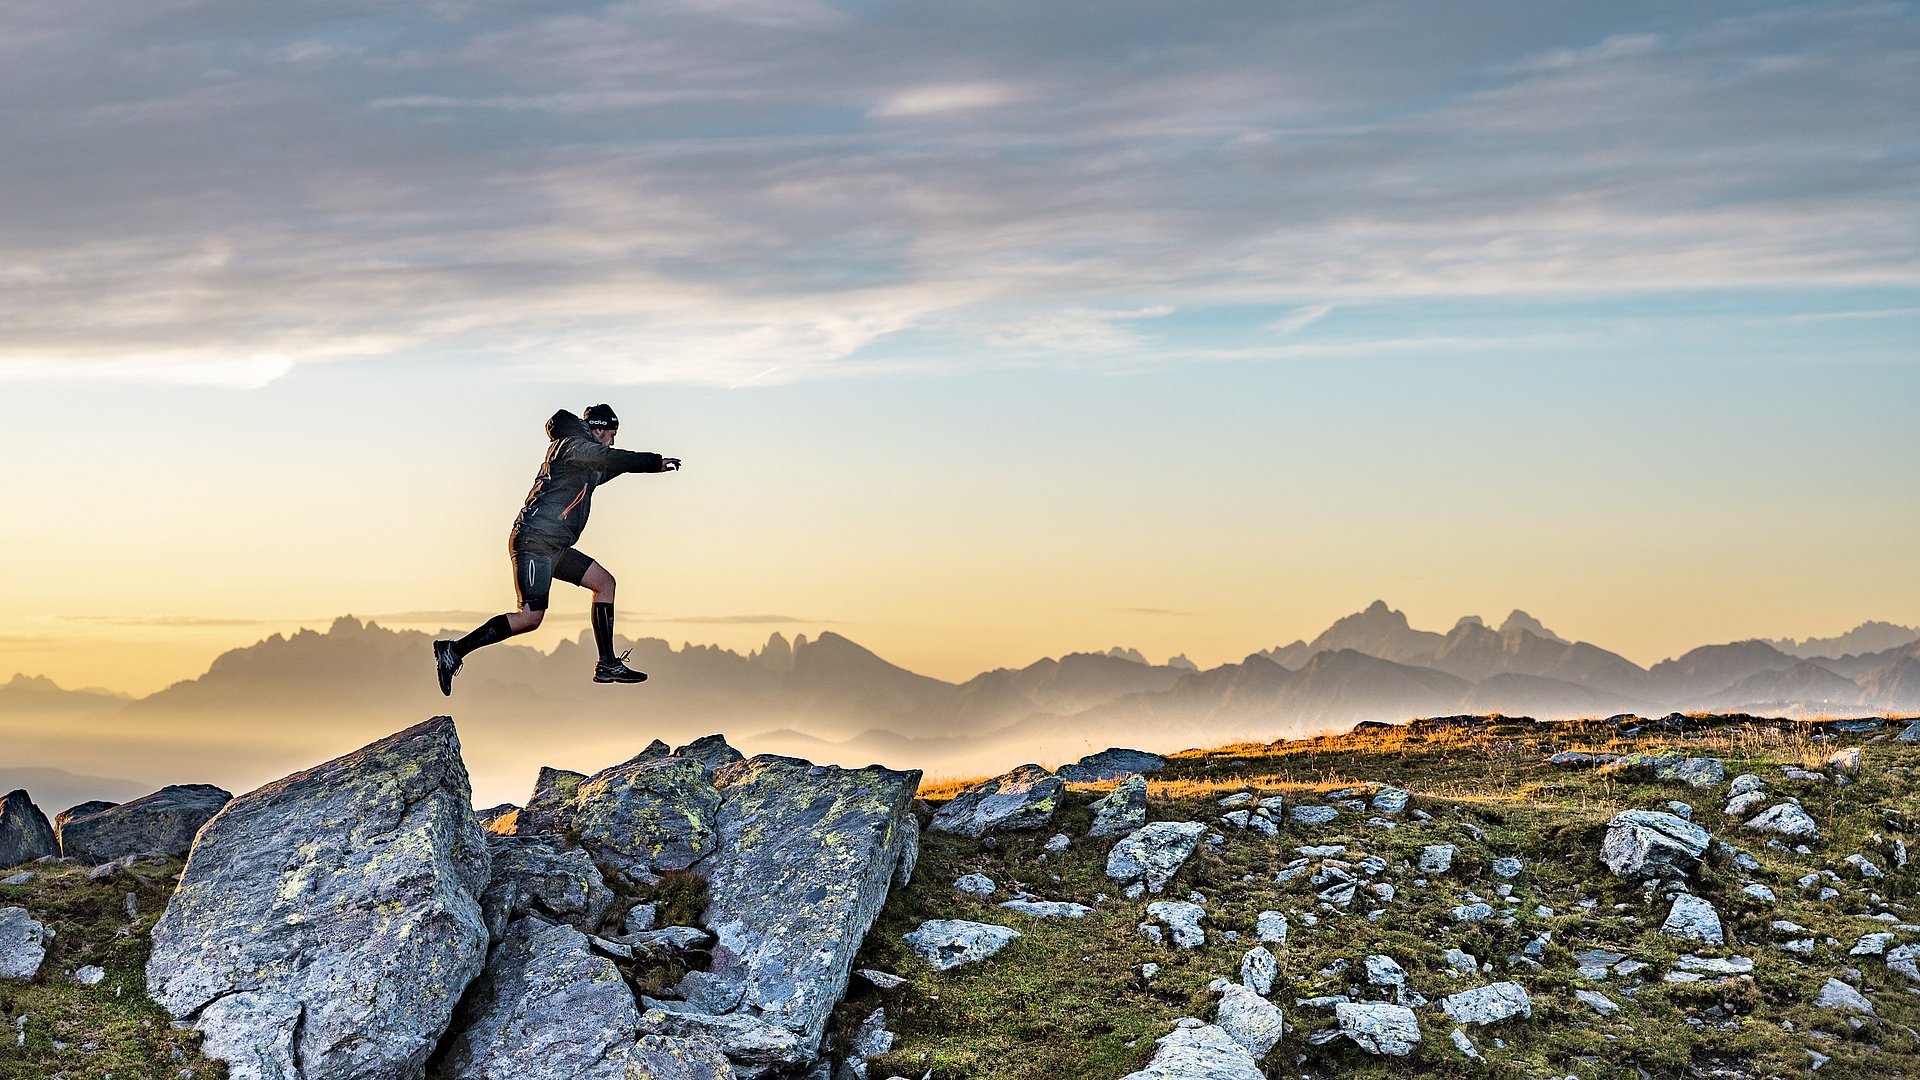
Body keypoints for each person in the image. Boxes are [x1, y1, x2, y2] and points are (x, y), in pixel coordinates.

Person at [435, 404, 680, 694]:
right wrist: (653, 461)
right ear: (598, 430)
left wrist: (650, 468)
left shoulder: (584, 459)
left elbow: (611, 466)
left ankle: (607, 664)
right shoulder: (572, 447)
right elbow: (611, 458)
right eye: (611, 434)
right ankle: (453, 650)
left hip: (554, 545)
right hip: (534, 541)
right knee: (530, 618)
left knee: (605, 584)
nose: (613, 441)